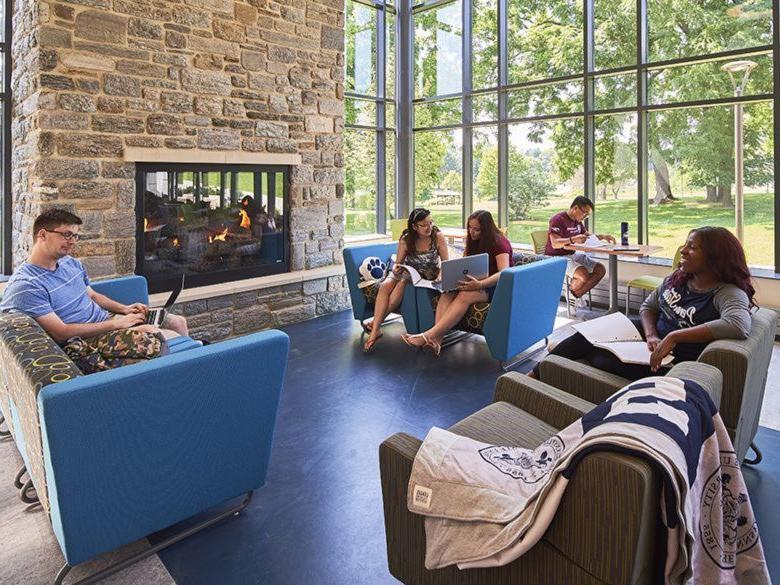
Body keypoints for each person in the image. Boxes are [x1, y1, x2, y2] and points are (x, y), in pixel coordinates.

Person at [531, 226, 754, 380]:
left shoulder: (727, 292)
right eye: (685, 244)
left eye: (692, 247)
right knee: (586, 335)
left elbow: (738, 325)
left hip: (671, 358)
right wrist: (651, 335)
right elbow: (648, 306)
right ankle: (537, 373)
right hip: (649, 338)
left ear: (715, 257)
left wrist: (674, 336)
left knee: (598, 357)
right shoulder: (678, 279)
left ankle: (554, 373)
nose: (683, 251)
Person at [0, 209, 189, 346]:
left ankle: (195, 358)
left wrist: (124, 309)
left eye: (75, 236)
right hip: (85, 339)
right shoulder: (27, 286)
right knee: (155, 333)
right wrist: (115, 324)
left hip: (105, 320)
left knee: (177, 321)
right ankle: (191, 366)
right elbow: (60, 333)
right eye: (66, 235)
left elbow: (93, 296)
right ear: (42, 235)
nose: (72, 241)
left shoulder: (70, 263)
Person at [401, 210, 512, 356]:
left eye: (476, 229)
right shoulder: (472, 240)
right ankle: (437, 340)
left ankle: (427, 336)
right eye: (470, 228)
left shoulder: (500, 243)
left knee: (465, 296)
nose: (472, 232)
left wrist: (480, 285)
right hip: (476, 282)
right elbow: (466, 263)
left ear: (486, 228)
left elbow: (504, 273)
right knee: (447, 292)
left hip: (495, 286)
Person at [363, 208, 448, 352]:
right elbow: (399, 262)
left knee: (402, 284)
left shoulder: (437, 236)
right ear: (414, 226)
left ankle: (375, 327)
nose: (429, 227)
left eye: (430, 223)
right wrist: (396, 268)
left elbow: (446, 262)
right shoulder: (406, 239)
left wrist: (441, 275)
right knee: (385, 286)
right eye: (424, 224)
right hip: (408, 271)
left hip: (429, 273)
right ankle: (375, 330)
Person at [545, 196, 615, 303]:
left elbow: (587, 236)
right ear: (575, 208)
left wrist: (603, 237)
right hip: (555, 257)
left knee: (600, 269)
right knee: (583, 275)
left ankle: (573, 295)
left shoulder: (578, 222)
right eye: (585, 213)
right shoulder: (558, 219)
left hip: (572, 255)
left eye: (588, 215)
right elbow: (555, 243)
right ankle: (574, 299)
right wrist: (573, 239)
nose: (585, 216)